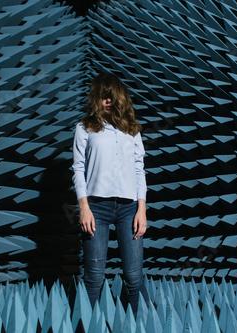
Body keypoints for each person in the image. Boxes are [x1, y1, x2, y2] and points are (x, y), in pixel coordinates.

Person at [72, 72, 149, 312]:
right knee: (93, 278)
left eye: (112, 96)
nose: (108, 101)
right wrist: (83, 208)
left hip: (129, 209)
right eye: (103, 96)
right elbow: (78, 168)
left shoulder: (132, 130)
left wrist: (141, 210)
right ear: (97, 98)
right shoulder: (84, 128)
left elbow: (139, 169)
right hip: (96, 208)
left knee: (134, 277)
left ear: (120, 97)